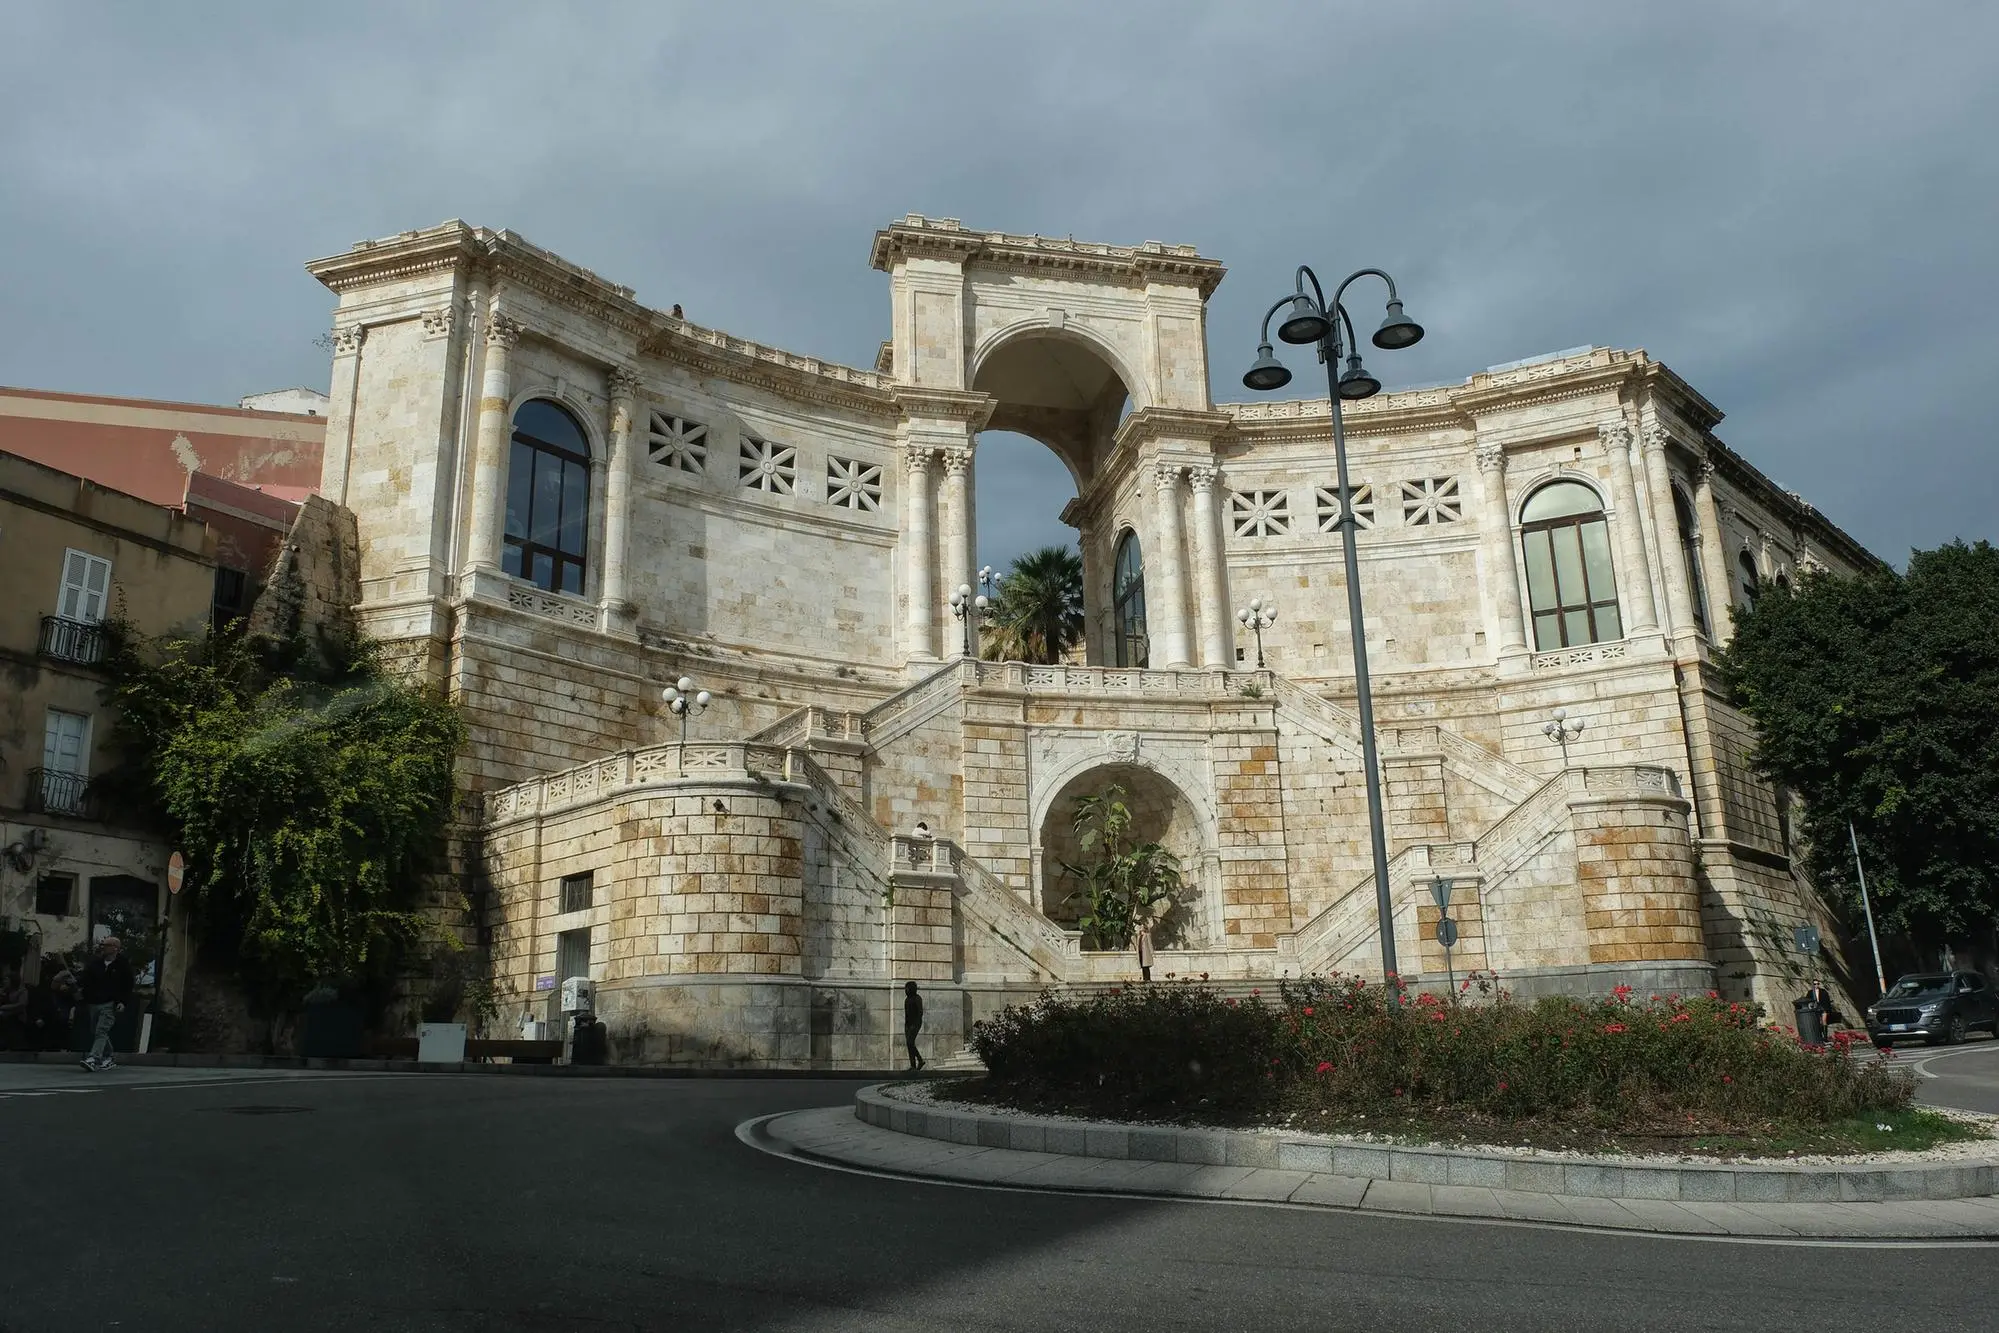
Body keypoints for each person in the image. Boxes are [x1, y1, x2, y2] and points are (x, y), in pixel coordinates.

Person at [78, 935, 134, 1072]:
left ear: (115, 948)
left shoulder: (123, 965)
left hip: (110, 1003)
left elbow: (127, 985)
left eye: (106, 945)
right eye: (102, 945)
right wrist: (78, 987)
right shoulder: (96, 964)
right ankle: (109, 1056)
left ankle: (94, 1058)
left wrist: (122, 1002)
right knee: (96, 1031)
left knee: (101, 1030)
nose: (103, 947)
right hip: (94, 1002)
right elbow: (85, 979)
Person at [0, 966, 29, 1050]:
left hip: (16, 1017)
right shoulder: (5, 991)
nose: (4, 982)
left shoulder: (22, 991)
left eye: (6, 979)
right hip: (4, 1016)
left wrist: (4, 1007)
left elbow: (22, 1004)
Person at [902, 980, 925, 1072]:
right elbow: (907, 1014)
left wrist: (914, 1024)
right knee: (909, 1044)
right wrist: (907, 1025)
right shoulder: (907, 1000)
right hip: (908, 1024)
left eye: (907, 988)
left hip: (915, 1023)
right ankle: (913, 1066)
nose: (905, 990)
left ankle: (920, 1060)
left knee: (910, 1042)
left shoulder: (917, 998)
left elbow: (920, 1012)